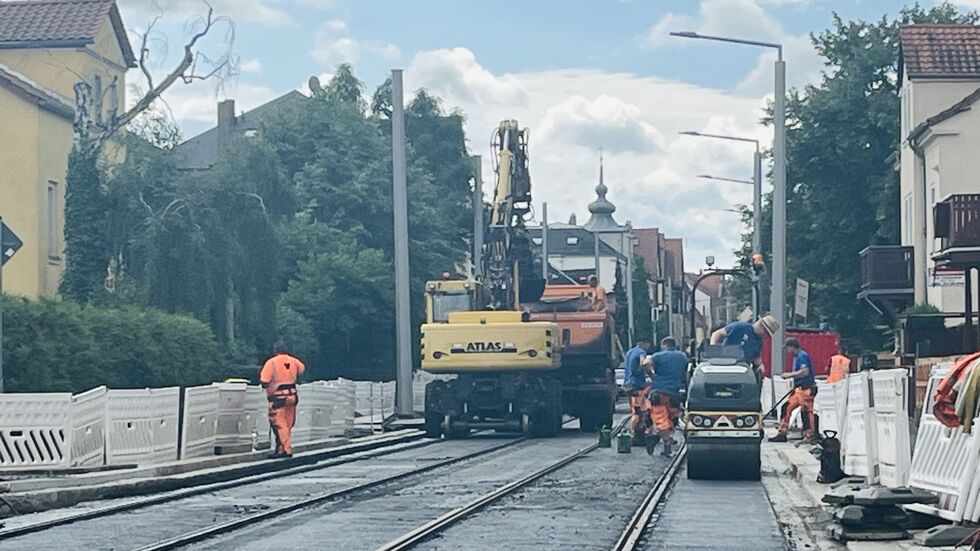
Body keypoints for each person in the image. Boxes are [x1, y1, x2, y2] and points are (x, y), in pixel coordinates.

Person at [260, 341, 306, 458]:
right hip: (292, 397)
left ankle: (286, 450)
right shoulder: (294, 361)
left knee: (279, 425)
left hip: (278, 399)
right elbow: (302, 370)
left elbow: (265, 380)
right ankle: (280, 449)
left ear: (275, 351)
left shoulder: (271, 363)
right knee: (288, 424)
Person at [647, 337, 689, 457]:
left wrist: (651, 375)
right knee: (673, 418)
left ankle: (665, 443)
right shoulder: (682, 357)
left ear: (664, 345)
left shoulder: (658, 356)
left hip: (659, 391)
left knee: (660, 418)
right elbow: (686, 372)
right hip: (674, 392)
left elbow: (645, 363)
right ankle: (664, 438)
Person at [770, 338, 816, 443]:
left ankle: (809, 435)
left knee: (806, 411)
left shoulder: (802, 356)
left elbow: (805, 371)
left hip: (806, 389)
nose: (787, 350)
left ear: (792, 347)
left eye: (787, 348)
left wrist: (789, 375)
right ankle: (782, 433)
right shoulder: (797, 357)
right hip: (799, 389)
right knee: (786, 407)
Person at [709, 314, 780, 368]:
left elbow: (755, 357)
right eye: (766, 333)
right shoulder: (740, 327)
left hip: (742, 370)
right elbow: (716, 334)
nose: (765, 337)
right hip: (726, 364)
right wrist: (713, 349)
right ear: (762, 326)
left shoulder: (759, 342)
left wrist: (760, 364)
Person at [623, 338, 653, 442]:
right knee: (640, 411)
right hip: (637, 385)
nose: (649, 347)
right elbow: (643, 363)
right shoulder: (641, 352)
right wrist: (651, 376)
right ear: (644, 343)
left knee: (634, 410)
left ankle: (634, 431)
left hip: (628, 384)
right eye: (649, 344)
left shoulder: (630, 352)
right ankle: (638, 433)